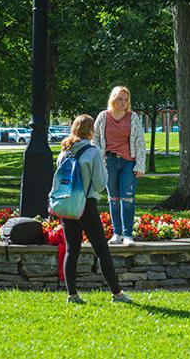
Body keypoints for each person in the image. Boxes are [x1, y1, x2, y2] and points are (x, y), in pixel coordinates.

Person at [58, 114, 131, 304]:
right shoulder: (93, 152)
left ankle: (72, 294)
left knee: (71, 250)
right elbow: (100, 184)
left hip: (67, 205)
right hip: (86, 205)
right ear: (91, 131)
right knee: (102, 251)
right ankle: (117, 293)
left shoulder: (64, 151)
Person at [93, 86, 147, 245]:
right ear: (113, 99)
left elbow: (140, 142)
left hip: (128, 163)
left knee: (127, 198)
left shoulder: (133, 117)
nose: (123, 102)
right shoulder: (103, 116)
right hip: (109, 162)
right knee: (113, 198)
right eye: (120, 99)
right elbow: (95, 139)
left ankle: (128, 235)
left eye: (126, 99)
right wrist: (100, 156)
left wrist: (140, 166)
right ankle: (116, 234)